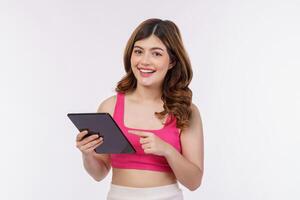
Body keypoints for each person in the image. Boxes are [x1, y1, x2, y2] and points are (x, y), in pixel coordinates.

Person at [75, 18, 204, 200]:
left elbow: (194, 182)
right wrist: (87, 154)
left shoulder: (185, 110)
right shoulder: (110, 107)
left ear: (172, 61)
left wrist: (167, 150)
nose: (145, 61)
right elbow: (99, 173)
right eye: (138, 51)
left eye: (156, 54)